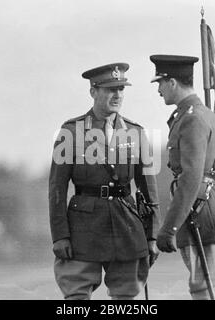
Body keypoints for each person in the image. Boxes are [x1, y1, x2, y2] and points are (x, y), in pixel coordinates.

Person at [49, 62, 160, 300]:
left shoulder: (136, 132)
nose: (117, 95)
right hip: (83, 226)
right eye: (110, 89)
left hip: (125, 223)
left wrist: (151, 235)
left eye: (121, 89)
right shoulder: (71, 132)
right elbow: (57, 188)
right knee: (76, 295)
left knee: (126, 295)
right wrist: (60, 235)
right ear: (93, 91)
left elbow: (148, 188)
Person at [149, 54, 215, 300]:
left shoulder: (190, 118)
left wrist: (169, 229)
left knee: (204, 291)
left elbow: (190, 178)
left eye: (160, 83)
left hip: (200, 215)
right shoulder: (210, 116)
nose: (158, 90)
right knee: (210, 290)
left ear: (172, 83)